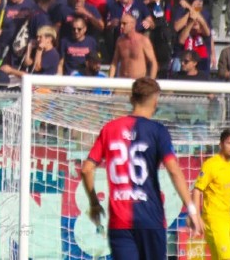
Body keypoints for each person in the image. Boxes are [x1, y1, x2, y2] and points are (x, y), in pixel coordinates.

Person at [81, 77, 203, 260]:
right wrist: (192, 211)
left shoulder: (109, 129)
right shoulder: (157, 131)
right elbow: (173, 170)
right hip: (150, 219)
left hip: (120, 222)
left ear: (132, 99)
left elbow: (86, 169)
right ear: (155, 102)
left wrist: (94, 203)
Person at [192, 129, 230, 260]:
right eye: (229, 143)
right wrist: (196, 215)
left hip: (227, 219)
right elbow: (197, 190)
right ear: (220, 144)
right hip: (214, 219)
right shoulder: (211, 165)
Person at [109, 13, 157, 79]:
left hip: (138, 81)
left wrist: (151, 81)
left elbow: (153, 63)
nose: (121, 26)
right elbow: (114, 62)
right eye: (120, 24)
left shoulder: (143, 40)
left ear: (133, 25)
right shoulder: (120, 41)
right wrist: (110, 80)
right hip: (122, 80)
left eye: (124, 24)